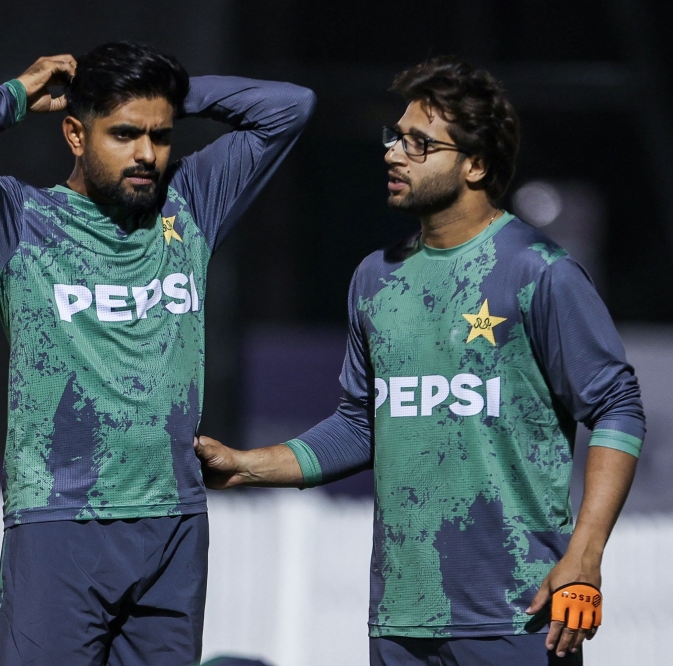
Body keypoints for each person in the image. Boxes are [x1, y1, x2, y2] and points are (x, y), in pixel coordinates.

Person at [195, 55, 644, 665]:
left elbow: (617, 407)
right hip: (401, 621)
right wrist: (248, 467)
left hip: (520, 614)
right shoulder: (374, 278)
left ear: (476, 164)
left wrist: (585, 554)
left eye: (418, 143)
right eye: (394, 137)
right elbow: (361, 424)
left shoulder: (539, 270)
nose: (393, 154)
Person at [0, 42, 315, 666]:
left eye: (160, 135)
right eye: (124, 133)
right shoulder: (20, 220)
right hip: (60, 522)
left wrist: (174, 93)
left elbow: (290, 107)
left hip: (174, 523)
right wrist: (16, 94)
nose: (147, 154)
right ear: (75, 132)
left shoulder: (190, 202)